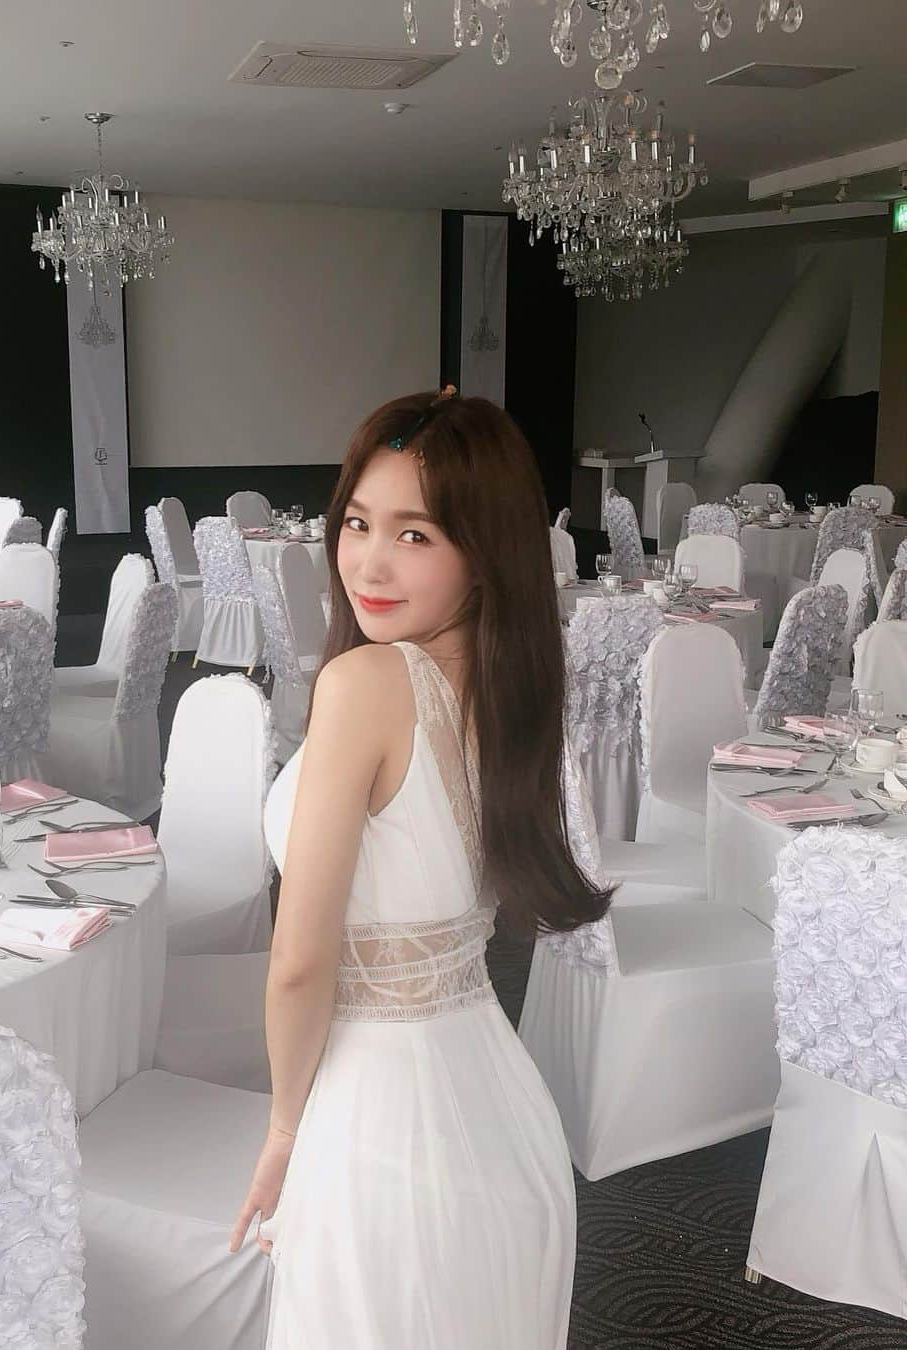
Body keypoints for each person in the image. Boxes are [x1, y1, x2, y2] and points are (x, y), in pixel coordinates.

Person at [229, 389, 612, 1347]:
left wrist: (284, 1131)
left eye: (415, 535)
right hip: (500, 1110)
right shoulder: (512, 679)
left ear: (485, 550)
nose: (368, 561)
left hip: (381, 1127)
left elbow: (300, 962)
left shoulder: (365, 683)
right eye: (358, 522)